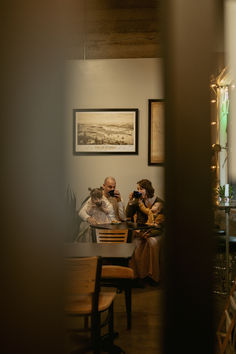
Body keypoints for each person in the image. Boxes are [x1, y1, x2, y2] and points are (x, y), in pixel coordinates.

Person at [126, 179, 164, 284]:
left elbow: (163, 224)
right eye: (137, 189)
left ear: (147, 189)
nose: (139, 190)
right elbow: (127, 215)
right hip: (140, 232)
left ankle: (153, 276)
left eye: (141, 188)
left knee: (152, 243)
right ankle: (137, 276)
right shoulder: (138, 201)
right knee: (135, 243)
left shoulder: (159, 202)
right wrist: (130, 201)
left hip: (155, 232)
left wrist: (149, 233)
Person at [77, 177, 126, 241]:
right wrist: (88, 218)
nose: (112, 189)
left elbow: (123, 218)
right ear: (104, 186)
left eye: (114, 187)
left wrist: (119, 201)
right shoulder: (97, 197)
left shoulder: (118, 199)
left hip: (113, 231)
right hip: (98, 232)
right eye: (110, 187)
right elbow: (81, 212)